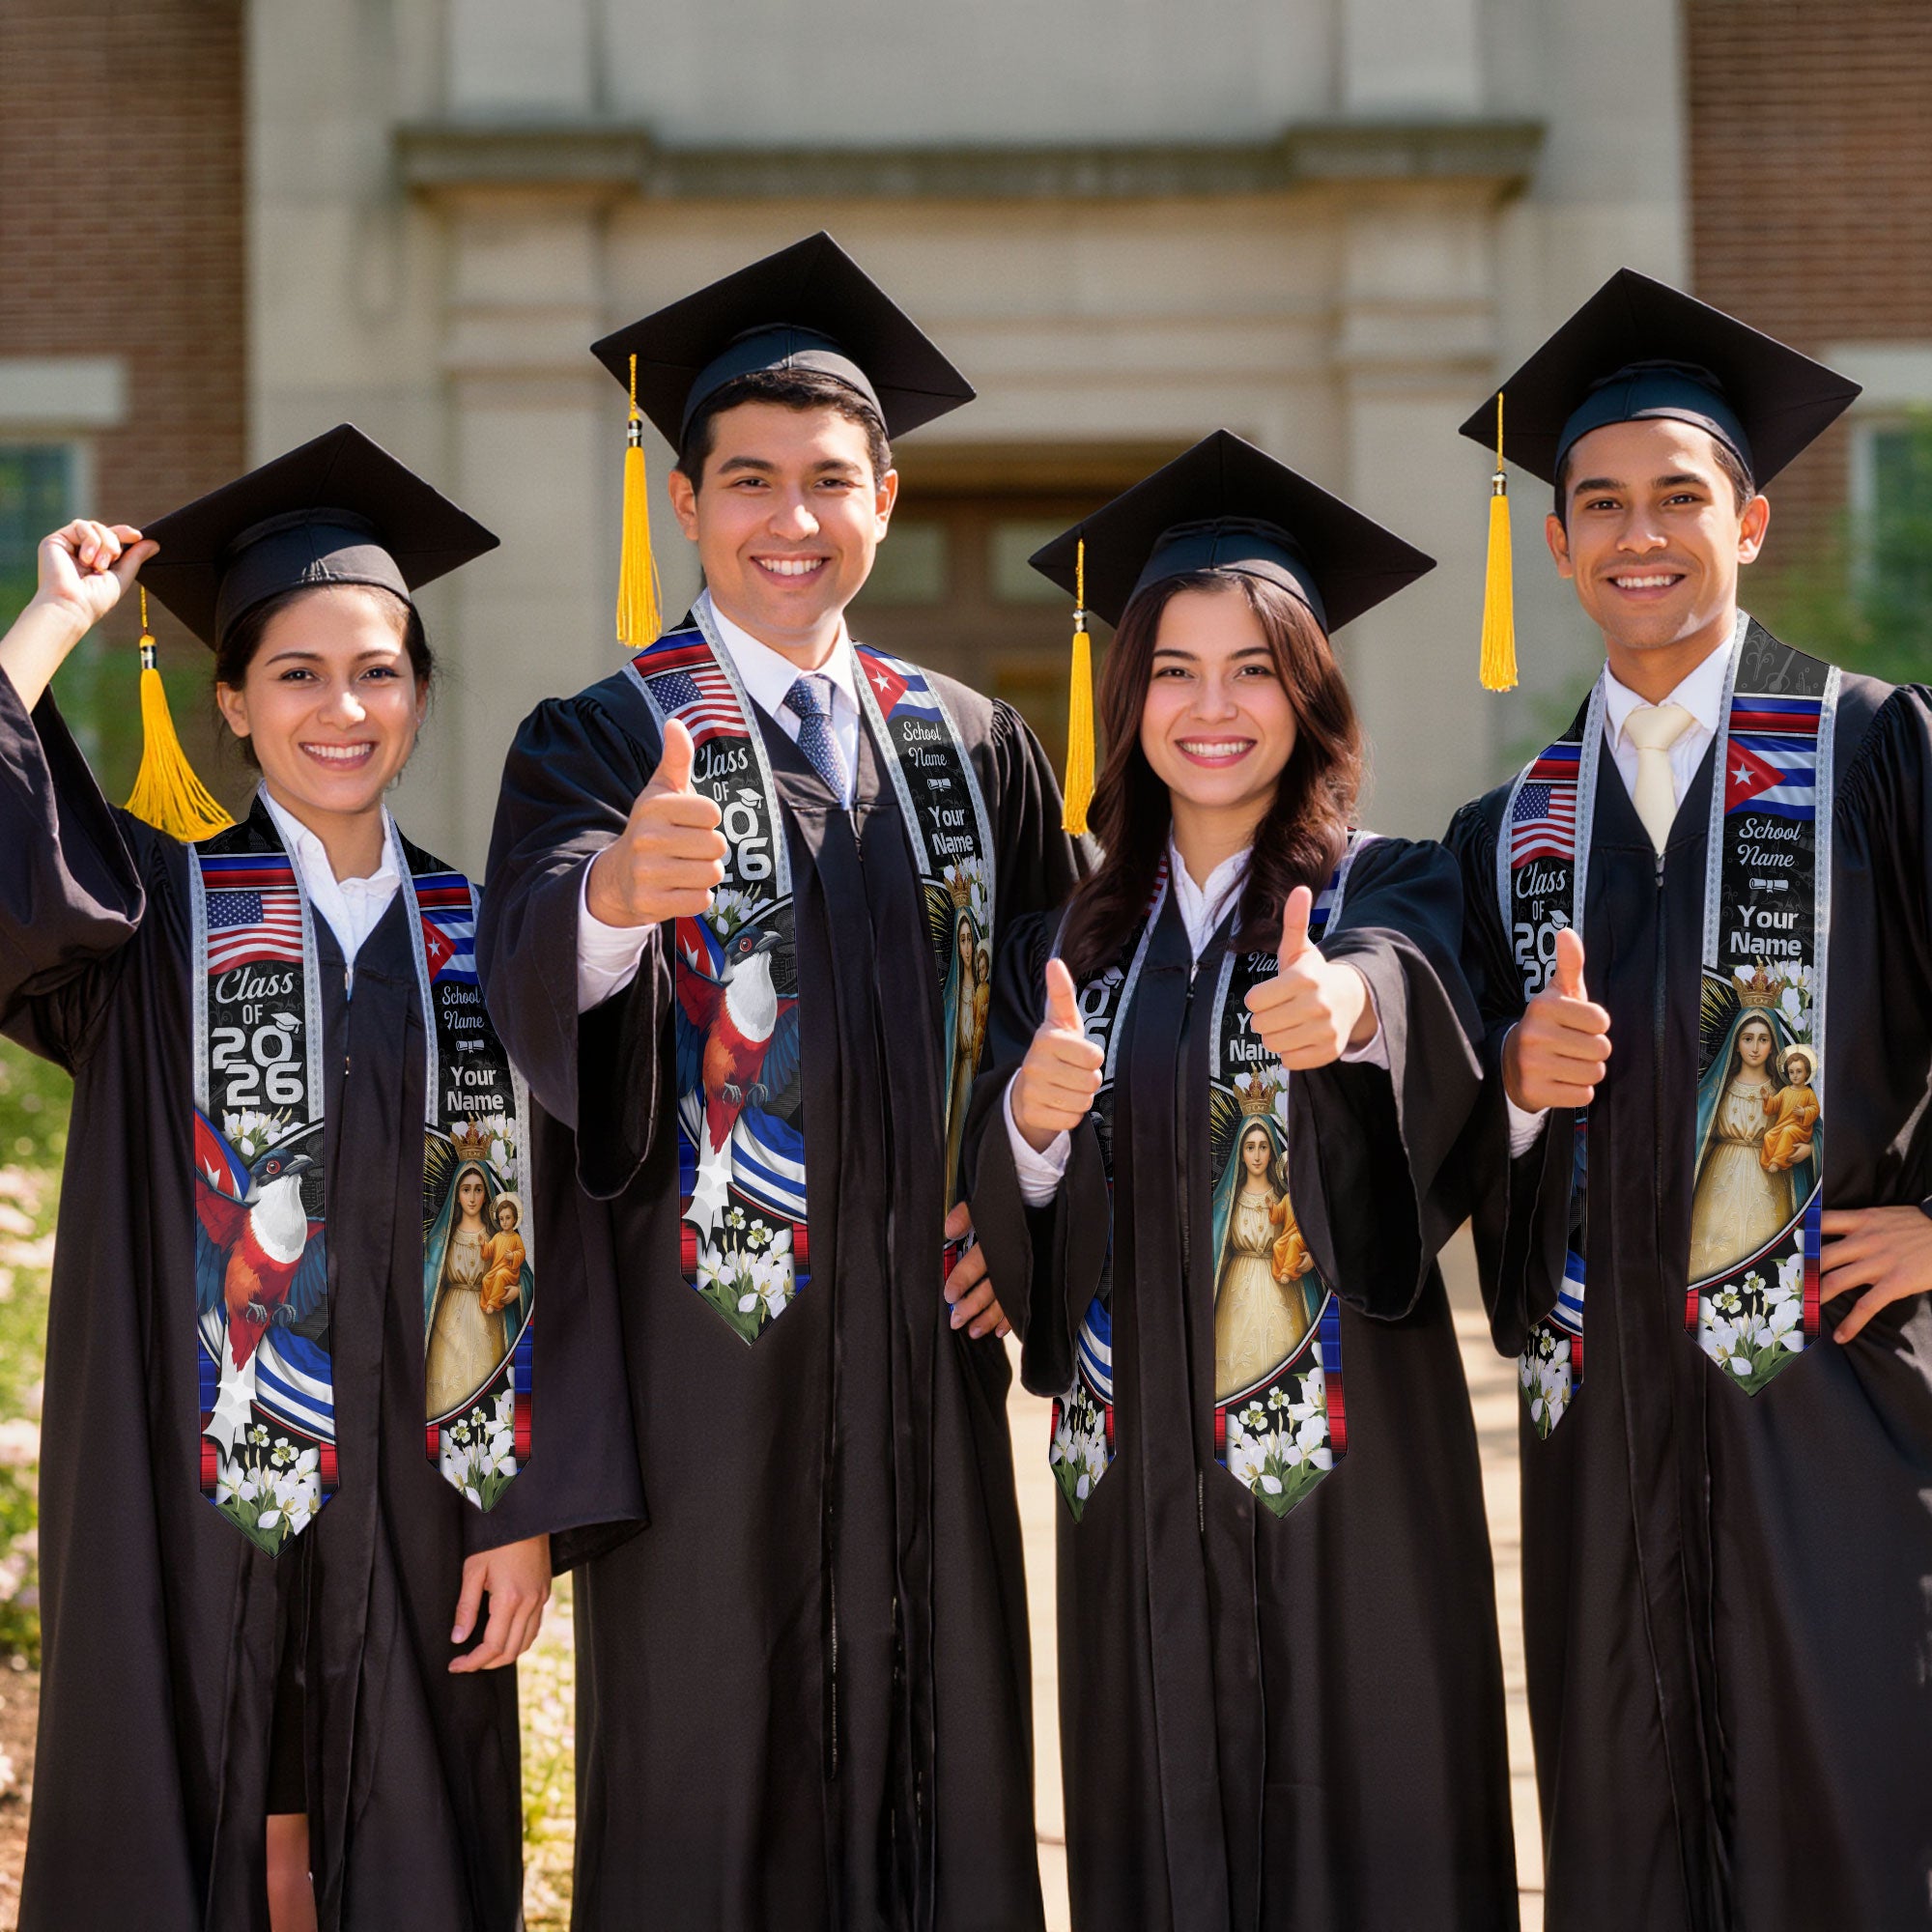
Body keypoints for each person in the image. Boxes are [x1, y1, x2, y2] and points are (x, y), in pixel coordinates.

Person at [478, 233, 1082, 1930]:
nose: (790, 519)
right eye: (750, 481)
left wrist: (1021, 1201)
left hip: (924, 1365)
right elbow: (524, 964)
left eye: (831, 481)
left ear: (886, 497)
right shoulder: (599, 737)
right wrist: (610, 898)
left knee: (943, 1765)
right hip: (708, 1375)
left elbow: (1074, 1005)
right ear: (686, 503)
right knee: (710, 1782)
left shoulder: (970, 744)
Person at [0, 426, 637, 1932]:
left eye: (377, 671)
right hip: (185, 1488)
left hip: (428, 1500)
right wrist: (50, 626)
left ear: (418, 695)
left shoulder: (494, 940)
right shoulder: (151, 919)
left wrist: (528, 1508)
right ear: (230, 701)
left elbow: (574, 1241)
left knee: (409, 1835)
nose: (340, 709)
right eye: (295, 673)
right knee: (188, 1803)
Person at [966, 432, 1517, 1930]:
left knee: (1375, 1822)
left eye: (1256, 669)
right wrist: (1027, 1116)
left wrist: (1350, 1014)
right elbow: (1012, 1205)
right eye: (1175, 671)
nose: (1214, 709)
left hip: (1350, 1477)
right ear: (1127, 696)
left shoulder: (1391, 885)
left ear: (1311, 693)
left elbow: (1416, 995)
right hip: (1135, 1481)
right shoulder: (1063, 946)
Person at [1447, 270, 1932, 1930]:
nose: (1637, 534)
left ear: (1752, 519)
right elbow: (1443, 1134)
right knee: (1622, 1821)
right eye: (1599, 504)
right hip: (1602, 1430)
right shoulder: (1508, 828)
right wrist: (1511, 1090)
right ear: (1562, 542)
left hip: (1832, 1407)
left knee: (1853, 1808)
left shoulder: (1870, 749)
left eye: (1678, 497)